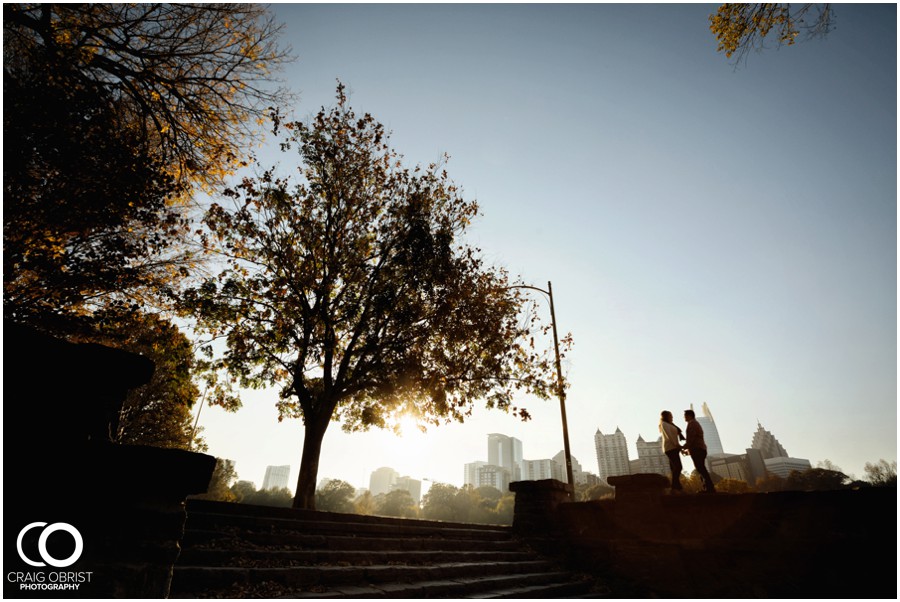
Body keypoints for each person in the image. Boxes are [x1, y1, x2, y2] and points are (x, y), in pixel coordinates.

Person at [684, 409, 716, 493]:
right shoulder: (694, 423)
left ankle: (709, 488)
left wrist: (684, 446)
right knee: (700, 468)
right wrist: (687, 450)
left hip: (698, 449)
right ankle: (707, 487)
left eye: (685, 415)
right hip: (699, 449)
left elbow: (692, 438)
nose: (684, 417)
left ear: (689, 415)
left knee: (701, 468)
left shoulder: (692, 423)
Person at [659, 410, 685, 493]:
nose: (672, 417)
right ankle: (674, 487)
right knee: (678, 467)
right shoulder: (664, 424)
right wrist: (678, 446)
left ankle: (677, 487)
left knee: (674, 468)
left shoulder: (670, 424)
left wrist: (679, 448)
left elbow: (674, 437)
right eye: (670, 415)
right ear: (666, 416)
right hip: (670, 448)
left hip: (674, 448)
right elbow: (669, 436)